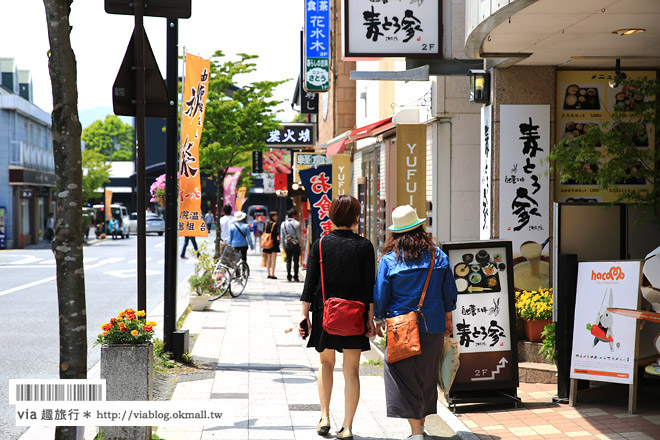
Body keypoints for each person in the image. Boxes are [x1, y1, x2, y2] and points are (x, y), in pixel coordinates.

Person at [373, 205, 458, 440]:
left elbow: (380, 294)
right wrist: (448, 320)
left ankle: (416, 432)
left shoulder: (390, 260)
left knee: (402, 375)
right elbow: (449, 293)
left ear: (396, 234)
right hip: (433, 325)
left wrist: (380, 317)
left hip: (401, 326)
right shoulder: (437, 256)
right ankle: (419, 426)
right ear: (420, 228)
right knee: (426, 376)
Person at [298, 195, 376, 440]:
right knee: (351, 370)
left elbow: (310, 283)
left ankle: (324, 416)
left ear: (332, 215)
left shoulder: (321, 244)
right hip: (355, 314)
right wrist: (370, 318)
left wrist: (304, 315)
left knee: (325, 365)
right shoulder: (365, 246)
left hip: (324, 313)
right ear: (355, 217)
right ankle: (348, 426)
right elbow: (369, 287)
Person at [280, 208, 302, 282]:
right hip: (296, 244)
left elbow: (282, 236)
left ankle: (288, 276)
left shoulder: (283, 223)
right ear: (293, 215)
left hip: (287, 244)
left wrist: (282, 245)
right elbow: (299, 235)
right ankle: (296, 276)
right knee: (296, 261)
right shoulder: (297, 223)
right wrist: (302, 245)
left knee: (288, 260)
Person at [262, 211, 280, 279]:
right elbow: (276, 234)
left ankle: (268, 273)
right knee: (273, 259)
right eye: (276, 216)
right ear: (272, 216)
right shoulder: (275, 224)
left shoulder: (266, 224)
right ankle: (273, 274)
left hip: (267, 243)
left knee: (268, 259)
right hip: (274, 243)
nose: (277, 217)